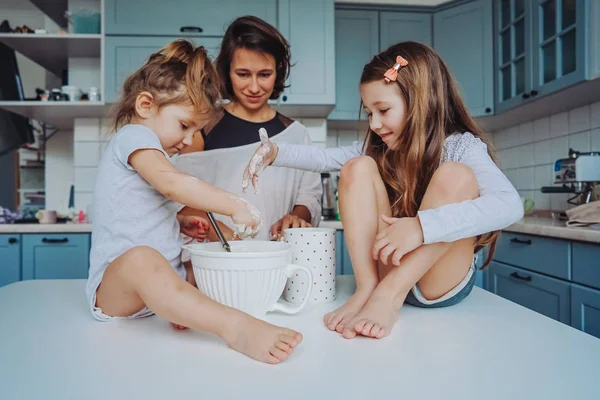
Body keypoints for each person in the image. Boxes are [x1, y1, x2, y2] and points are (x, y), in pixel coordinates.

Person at [242, 41, 524, 339]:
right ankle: (368, 290)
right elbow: (323, 158)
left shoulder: (461, 146)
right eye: (369, 113)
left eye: (383, 110)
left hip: (438, 283)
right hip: (388, 268)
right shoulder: (378, 148)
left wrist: (421, 227)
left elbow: (509, 205)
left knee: (456, 175)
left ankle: (388, 295)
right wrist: (274, 152)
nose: (374, 124)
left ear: (421, 103)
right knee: (356, 166)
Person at [86, 39, 303, 364]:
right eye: (184, 126)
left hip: (152, 295)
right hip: (116, 290)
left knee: (191, 262)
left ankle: (186, 308)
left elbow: (143, 212)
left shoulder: (154, 154)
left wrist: (179, 222)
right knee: (142, 259)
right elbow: (174, 185)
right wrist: (232, 204)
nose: (188, 140)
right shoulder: (134, 136)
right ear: (146, 105)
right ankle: (236, 327)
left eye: (195, 130)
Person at [176, 15, 321, 243]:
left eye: (264, 74)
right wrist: (230, 240)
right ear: (227, 71)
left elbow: (309, 198)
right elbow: (181, 201)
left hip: (278, 260)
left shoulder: (297, 135)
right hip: (217, 260)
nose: (254, 87)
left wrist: (295, 217)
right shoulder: (201, 129)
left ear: (278, 71)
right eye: (243, 74)